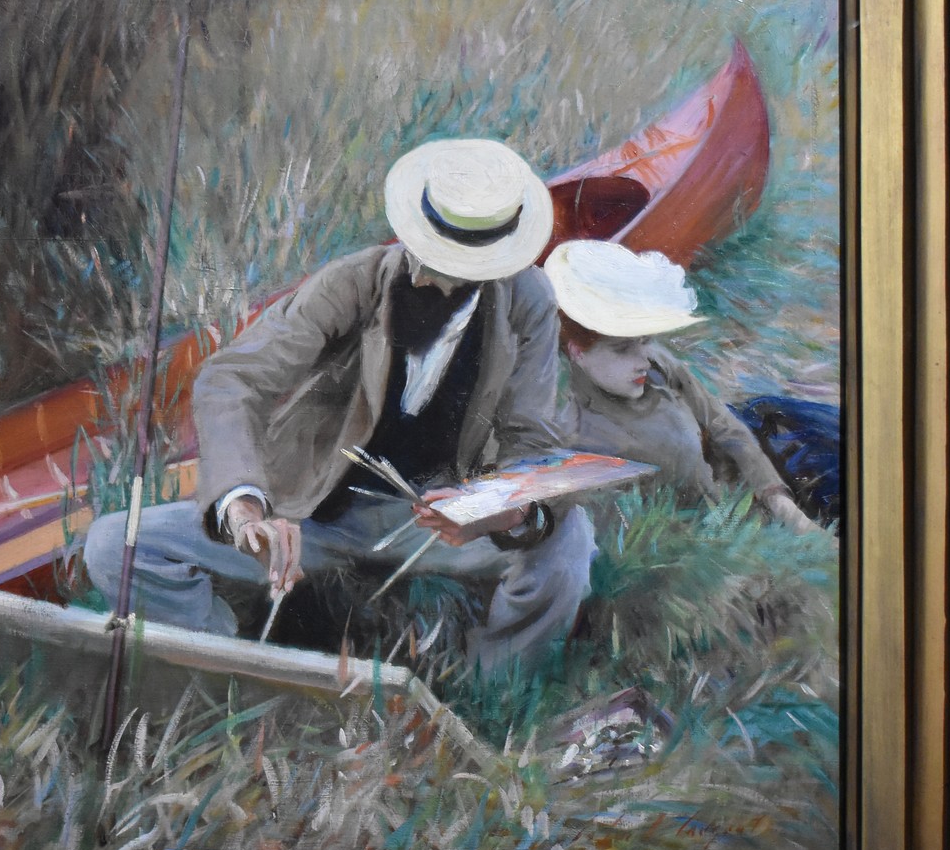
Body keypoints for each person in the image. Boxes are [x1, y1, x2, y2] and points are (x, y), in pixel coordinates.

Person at [84, 140, 595, 672]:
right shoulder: (353, 283)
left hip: (436, 523)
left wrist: (499, 512)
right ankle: (230, 666)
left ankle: (496, 686)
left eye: (457, 266)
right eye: (428, 254)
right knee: (115, 544)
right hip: (317, 512)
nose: (428, 277)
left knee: (570, 539)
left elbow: (531, 438)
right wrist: (245, 509)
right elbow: (232, 379)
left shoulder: (528, 301)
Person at [541, 239, 817, 533]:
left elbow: (723, 423)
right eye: (622, 349)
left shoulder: (658, 365)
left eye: (645, 341)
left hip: (742, 488)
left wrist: (780, 501)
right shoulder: (570, 428)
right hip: (709, 531)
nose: (644, 360)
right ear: (577, 352)